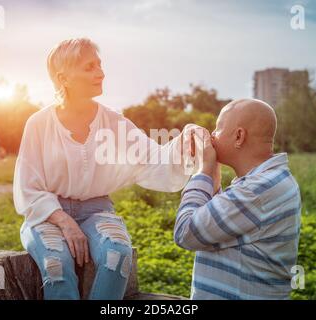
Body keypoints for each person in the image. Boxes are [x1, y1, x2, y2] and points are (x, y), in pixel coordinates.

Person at [13, 38, 198, 299]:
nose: (100, 73)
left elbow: (155, 158)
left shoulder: (113, 121)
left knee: (117, 256)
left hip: (97, 211)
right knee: (56, 267)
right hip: (46, 214)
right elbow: (27, 187)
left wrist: (184, 143)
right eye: (89, 67)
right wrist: (65, 222)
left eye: (99, 65)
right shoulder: (38, 124)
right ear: (63, 78)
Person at [174, 98, 302, 300]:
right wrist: (213, 172)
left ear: (239, 136)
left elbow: (185, 232)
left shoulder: (257, 190)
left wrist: (202, 171)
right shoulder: (272, 180)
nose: (213, 135)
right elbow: (220, 225)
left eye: (218, 128)